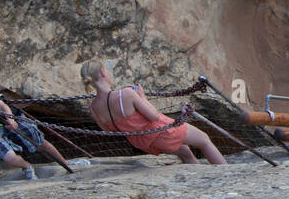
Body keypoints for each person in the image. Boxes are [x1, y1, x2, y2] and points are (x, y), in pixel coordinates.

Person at [81, 60, 226, 164]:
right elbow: (153, 116)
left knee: (185, 152)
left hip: (142, 141)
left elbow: (107, 130)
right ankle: (227, 176)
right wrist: (142, 97)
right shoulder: (124, 94)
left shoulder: (94, 107)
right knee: (204, 140)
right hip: (161, 131)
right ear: (103, 73)